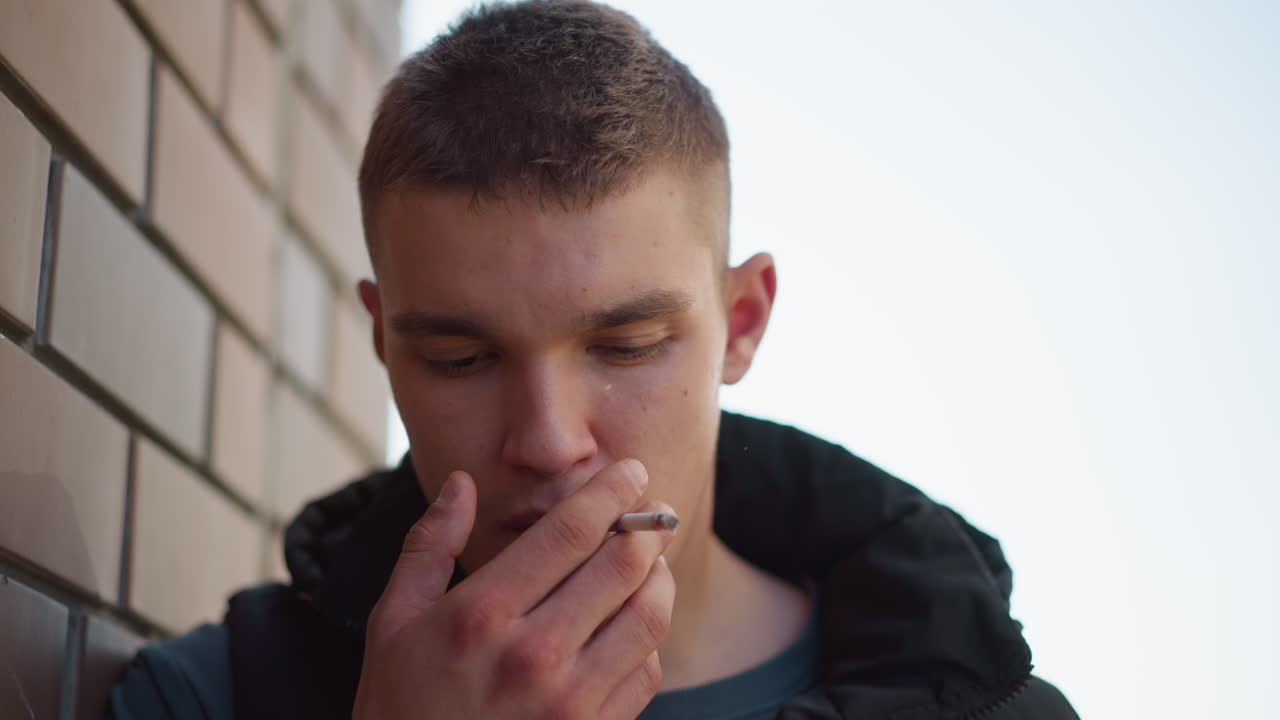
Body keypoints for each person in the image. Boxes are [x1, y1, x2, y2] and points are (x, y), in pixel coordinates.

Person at [112, 1, 1079, 718]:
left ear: (741, 324)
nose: (546, 440)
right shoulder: (213, 695)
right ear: (381, 343)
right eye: (459, 356)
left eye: (625, 346)